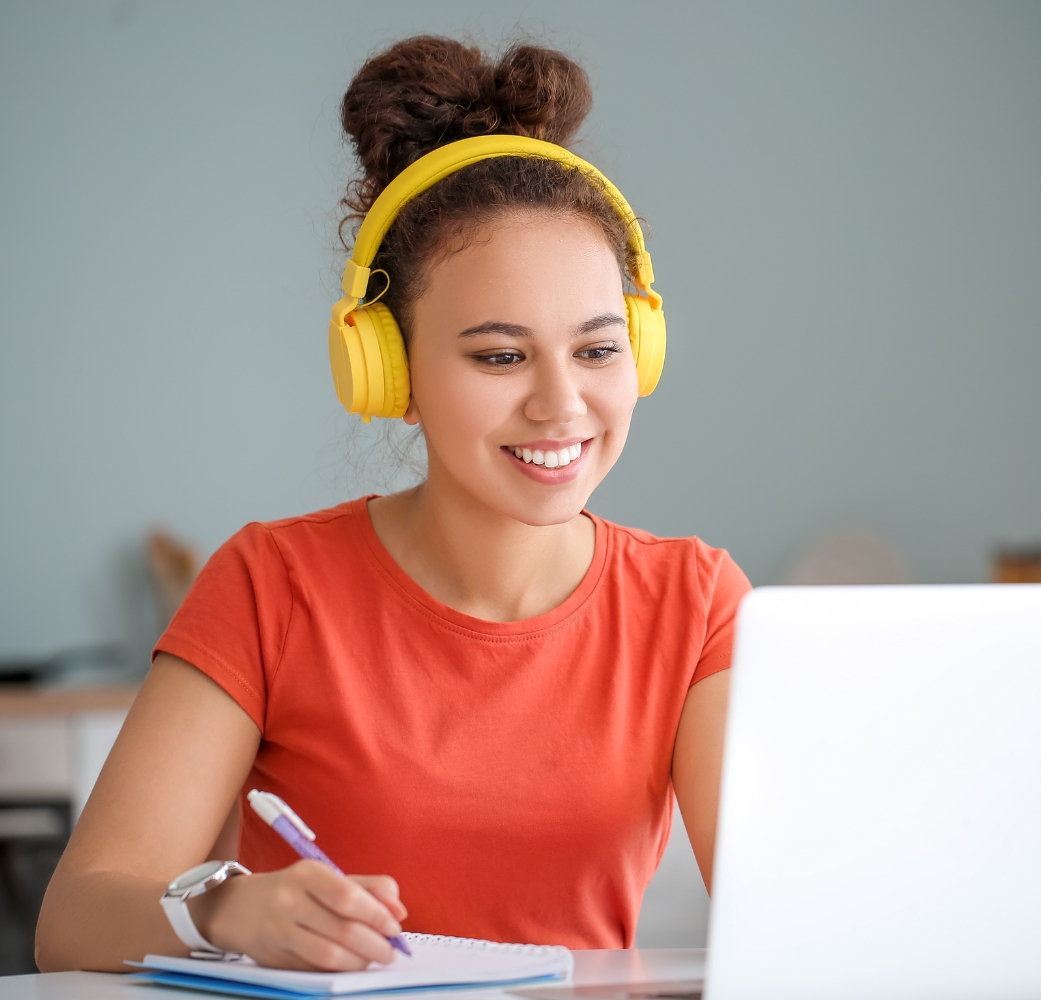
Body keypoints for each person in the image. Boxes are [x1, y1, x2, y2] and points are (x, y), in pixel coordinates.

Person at [34, 35, 751, 974]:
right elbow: (75, 922)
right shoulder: (270, 585)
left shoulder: (694, 603)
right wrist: (227, 913)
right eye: (499, 355)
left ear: (643, 351)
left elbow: (804, 912)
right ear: (387, 373)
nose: (560, 403)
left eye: (597, 348)